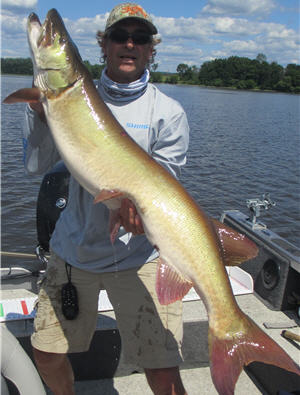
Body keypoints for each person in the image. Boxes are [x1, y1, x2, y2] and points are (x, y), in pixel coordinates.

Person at [24, 3, 190, 395]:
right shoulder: (69, 95)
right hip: (73, 251)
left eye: (140, 38)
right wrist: (39, 113)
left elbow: (162, 188)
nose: (129, 44)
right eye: (120, 36)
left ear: (151, 48)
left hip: (139, 257)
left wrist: (137, 212)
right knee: (46, 354)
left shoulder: (168, 113)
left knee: (163, 372)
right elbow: (35, 165)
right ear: (104, 44)